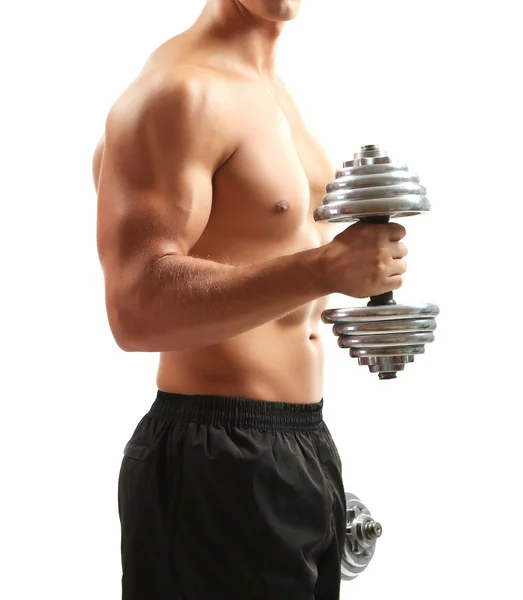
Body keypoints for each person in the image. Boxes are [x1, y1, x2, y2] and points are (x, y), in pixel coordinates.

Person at [93, 1, 407, 598]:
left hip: (300, 442)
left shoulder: (274, 94)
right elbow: (135, 307)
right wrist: (325, 267)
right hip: (213, 456)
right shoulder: (178, 93)